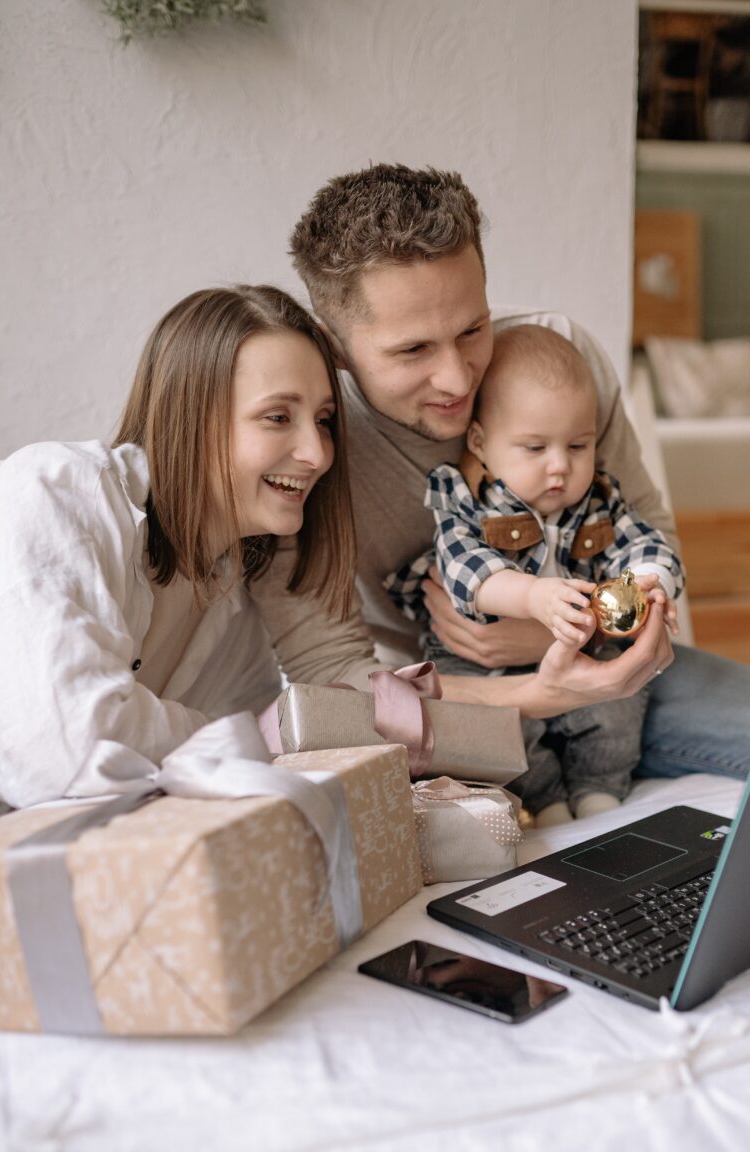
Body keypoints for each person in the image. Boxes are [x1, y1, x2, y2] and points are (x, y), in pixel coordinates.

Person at [247, 162, 749, 784]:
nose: (458, 379)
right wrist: (530, 687)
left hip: (609, 663)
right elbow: (337, 681)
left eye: (472, 329)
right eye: (413, 350)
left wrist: (552, 641)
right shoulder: (306, 444)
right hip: (443, 701)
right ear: (337, 349)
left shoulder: (557, 358)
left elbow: (652, 541)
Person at [0, 285, 355, 811]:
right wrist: (243, 735)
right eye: (277, 417)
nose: (317, 454)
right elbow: (61, 754)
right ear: (190, 417)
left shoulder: (233, 588)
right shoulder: (53, 493)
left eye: (323, 420)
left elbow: (251, 765)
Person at [385, 324, 684, 824]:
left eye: (577, 446)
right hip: (478, 665)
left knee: (620, 707)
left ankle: (598, 790)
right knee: (496, 731)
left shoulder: (599, 502)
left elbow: (648, 544)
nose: (559, 468)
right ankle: (542, 801)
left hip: (580, 648)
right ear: (480, 441)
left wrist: (653, 580)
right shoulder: (468, 504)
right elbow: (465, 570)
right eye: (534, 447)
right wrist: (532, 598)